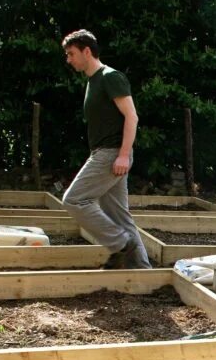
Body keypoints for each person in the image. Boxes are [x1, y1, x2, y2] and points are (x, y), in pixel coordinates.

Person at [60, 29, 151, 269]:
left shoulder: (110, 77)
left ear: (86, 51)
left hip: (112, 153)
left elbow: (132, 117)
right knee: (120, 216)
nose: (68, 60)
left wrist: (123, 155)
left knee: (74, 200)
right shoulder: (93, 81)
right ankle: (143, 271)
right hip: (106, 153)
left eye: (71, 54)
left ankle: (120, 243)